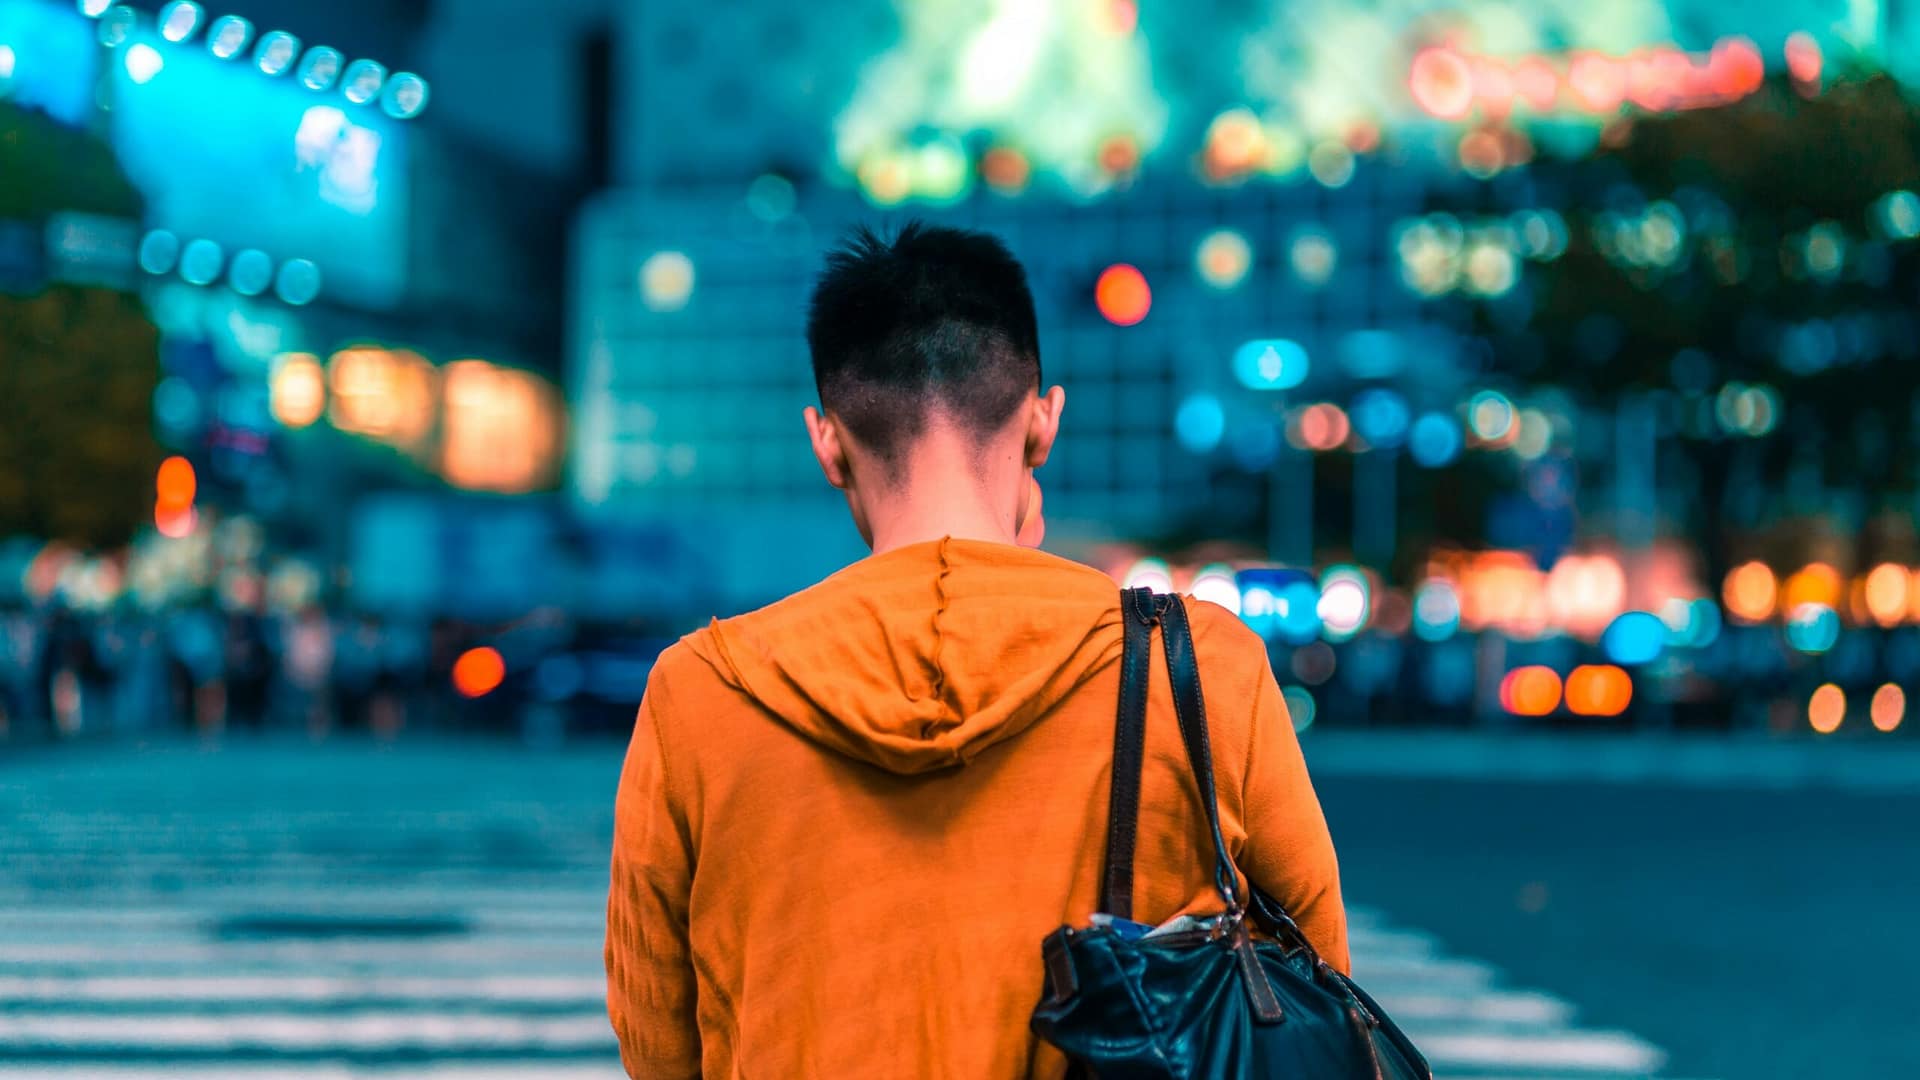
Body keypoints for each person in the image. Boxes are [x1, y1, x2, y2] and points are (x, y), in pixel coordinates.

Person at [604, 223, 1347, 1079]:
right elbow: (1313, 991)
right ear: (1043, 422)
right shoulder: (1199, 664)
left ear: (827, 441)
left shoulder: (703, 691)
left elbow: (660, 1043)